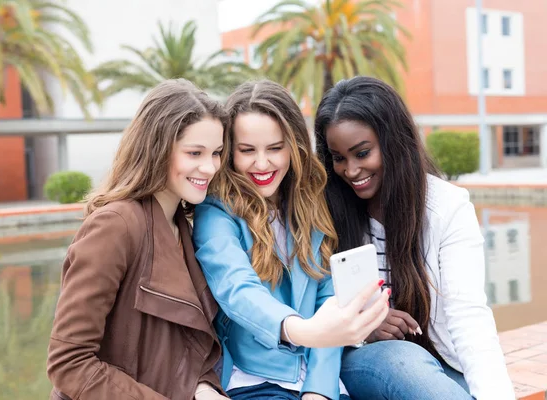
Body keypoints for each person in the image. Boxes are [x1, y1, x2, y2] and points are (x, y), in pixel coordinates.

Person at [315, 76, 515, 400]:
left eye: (362, 153)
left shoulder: (447, 208)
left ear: (392, 142)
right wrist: (366, 328)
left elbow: (469, 315)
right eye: (339, 158)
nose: (351, 170)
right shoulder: (327, 212)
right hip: (364, 360)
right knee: (406, 361)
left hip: (440, 365)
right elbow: (311, 303)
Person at [193, 80, 390, 400]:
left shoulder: (313, 205)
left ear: (294, 146)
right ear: (230, 152)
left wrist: (319, 391)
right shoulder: (216, 212)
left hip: (322, 379)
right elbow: (237, 288)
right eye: (247, 150)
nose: (262, 163)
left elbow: (330, 299)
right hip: (255, 380)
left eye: (274, 148)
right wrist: (301, 330)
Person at [47, 79, 229, 400]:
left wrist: (204, 388)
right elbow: (68, 362)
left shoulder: (183, 226)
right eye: (194, 152)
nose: (210, 166)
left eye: (216, 153)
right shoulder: (115, 225)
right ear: (157, 149)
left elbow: (183, 347)